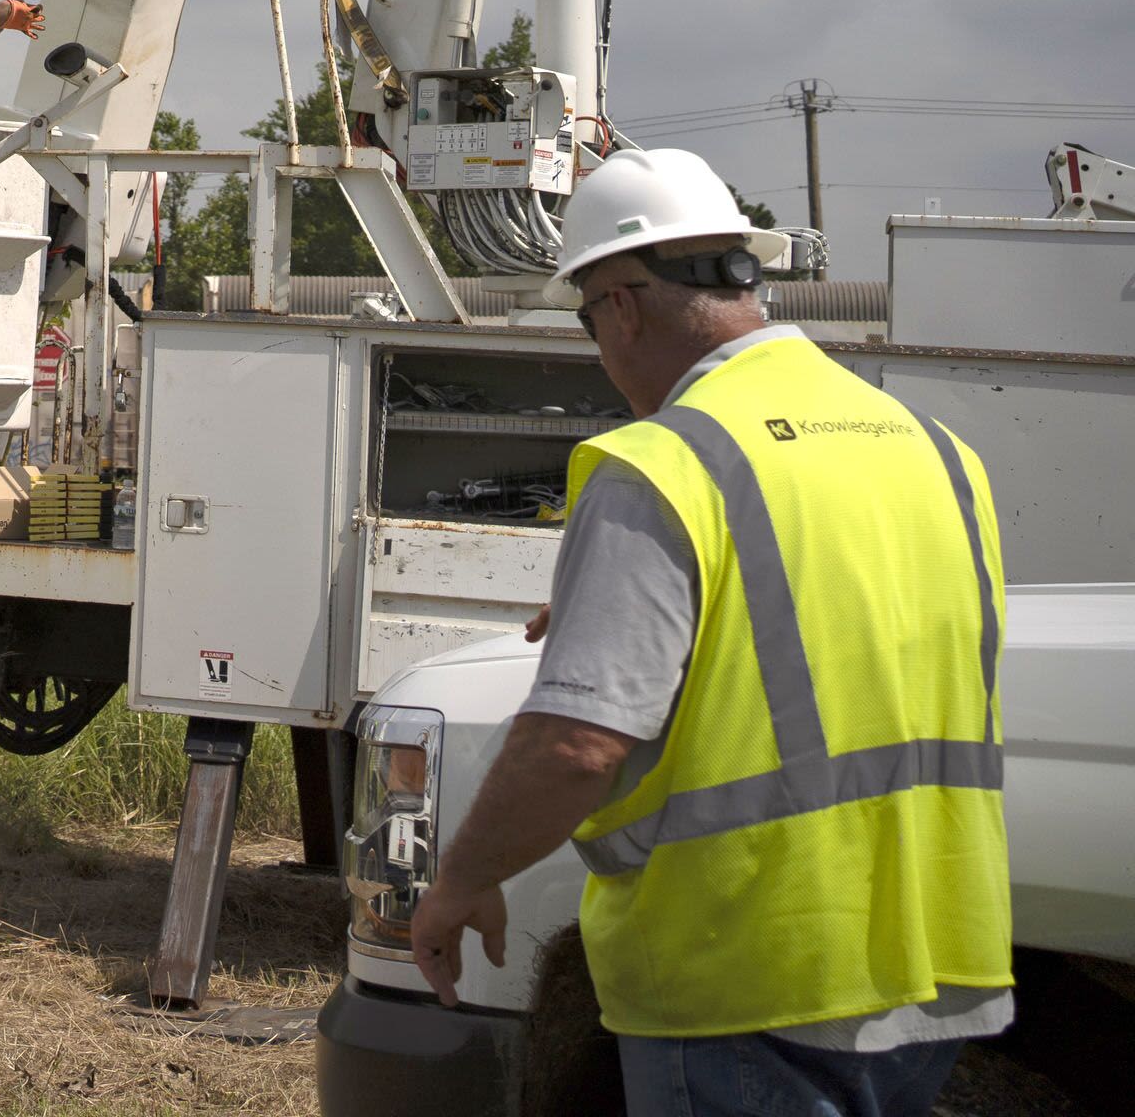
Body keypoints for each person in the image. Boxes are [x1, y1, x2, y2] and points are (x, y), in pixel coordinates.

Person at [406, 147, 1010, 1117]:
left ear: (623, 306)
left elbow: (577, 743)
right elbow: (866, 639)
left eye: (585, 317)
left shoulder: (664, 464)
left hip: (750, 973)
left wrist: (461, 879)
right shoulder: (932, 448)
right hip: (937, 961)